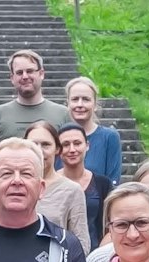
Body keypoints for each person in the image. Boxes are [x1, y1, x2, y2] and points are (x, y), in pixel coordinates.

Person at [23, 120, 91, 250]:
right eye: (33, 144)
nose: (39, 150)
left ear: (57, 149)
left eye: (46, 145)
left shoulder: (72, 190)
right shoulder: (15, 185)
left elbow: (81, 243)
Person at [0, 49, 72, 143]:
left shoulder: (63, 114)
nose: (25, 77)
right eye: (19, 72)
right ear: (12, 78)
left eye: (30, 71)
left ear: (41, 74)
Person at [57, 122, 112, 251]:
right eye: (65, 145)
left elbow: (112, 224)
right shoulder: (50, 184)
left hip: (97, 253)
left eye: (77, 143)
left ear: (87, 146)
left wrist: (99, 255)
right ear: (58, 150)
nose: (72, 149)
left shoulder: (103, 184)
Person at [64, 76, 121, 182]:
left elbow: (113, 182)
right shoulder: (58, 138)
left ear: (95, 104)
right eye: (75, 99)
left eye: (86, 99)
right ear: (68, 103)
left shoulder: (109, 137)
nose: (80, 104)